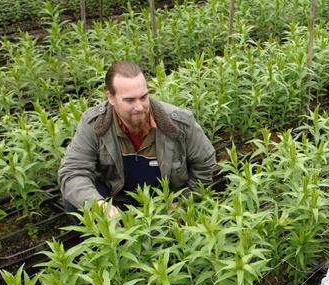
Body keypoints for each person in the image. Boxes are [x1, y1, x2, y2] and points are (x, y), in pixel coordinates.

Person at [58, 61, 216, 218]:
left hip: (165, 203)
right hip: (117, 202)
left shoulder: (178, 123)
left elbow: (205, 164)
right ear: (111, 98)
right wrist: (99, 205)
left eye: (143, 97)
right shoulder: (95, 124)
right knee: (76, 201)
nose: (140, 107)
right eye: (130, 100)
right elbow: (73, 171)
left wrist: (183, 202)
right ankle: (111, 241)